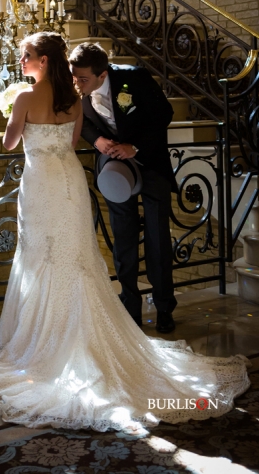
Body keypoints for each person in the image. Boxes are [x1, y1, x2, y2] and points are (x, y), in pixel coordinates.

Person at [0, 31, 250, 433]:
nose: (21, 61)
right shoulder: (75, 100)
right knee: (85, 253)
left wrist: (15, 110)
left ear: (44, 61)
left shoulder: (34, 97)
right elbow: (73, 138)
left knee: (58, 254)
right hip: (71, 182)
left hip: (63, 181)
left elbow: (11, 140)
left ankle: (150, 310)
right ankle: (121, 315)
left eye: (26, 54)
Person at [69, 42, 176, 333]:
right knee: (123, 239)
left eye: (83, 79)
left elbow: (163, 114)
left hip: (150, 163)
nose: (76, 84)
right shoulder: (76, 86)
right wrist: (97, 142)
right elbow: (80, 121)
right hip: (115, 171)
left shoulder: (135, 77)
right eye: (74, 76)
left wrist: (135, 146)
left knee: (157, 239)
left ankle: (165, 307)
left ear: (103, 75)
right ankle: (131, 308)